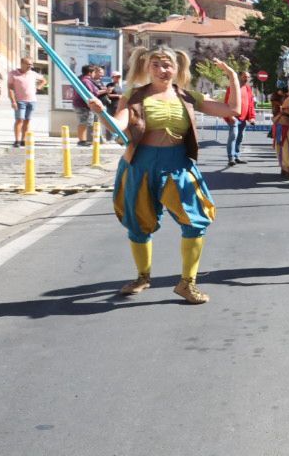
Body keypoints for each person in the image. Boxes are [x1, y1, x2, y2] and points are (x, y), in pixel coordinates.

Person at [108, 48, 240, 304]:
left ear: (177, 68)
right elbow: (119, 123)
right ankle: (142, 277)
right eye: (155, 65)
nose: (162, 70)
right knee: (138, 223)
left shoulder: (188, 97)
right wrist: (102, 115)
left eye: (167, 65)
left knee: (196, 220)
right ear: (147, 68)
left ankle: (187, 283)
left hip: (177, 163)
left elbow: (232, 109)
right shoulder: (134, 96)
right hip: (140, 164)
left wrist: (232, 77)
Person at [6, 57, 38, 149]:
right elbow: (10, 88)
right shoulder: (13, 74)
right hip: (20, 101)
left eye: (31, 64)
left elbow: (43, 80)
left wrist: (39, 86)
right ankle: (17, 140)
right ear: (22, 64)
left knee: (27, 121)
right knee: (19, 120)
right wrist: (13, 101)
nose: (30, 66)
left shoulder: (33, 74)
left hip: (32, 101)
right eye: (28, 64)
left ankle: (24, 140)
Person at [225, 72, 254, 165]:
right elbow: (226, 102)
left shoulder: (248, 89)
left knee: (239, 138)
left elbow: (250, 105)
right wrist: (230, 115)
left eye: (248, 77)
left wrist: (252, 118)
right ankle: (231, 158)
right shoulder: (232, 88)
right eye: (244, 76)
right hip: (233, 117)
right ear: (240, 77)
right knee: (233, 136)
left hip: (243, 118)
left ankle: (236, 156)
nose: (246, 78)